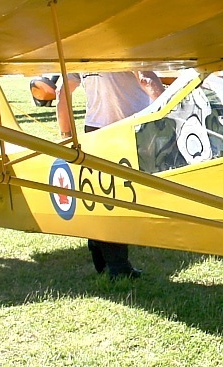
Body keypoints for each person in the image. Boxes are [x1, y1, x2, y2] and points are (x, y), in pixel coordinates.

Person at [57, 70, 165, 278]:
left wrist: (66, 135)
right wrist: (170, 115)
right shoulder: (124, 45)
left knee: (104, 196)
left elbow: (63, 89)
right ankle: (117, 265)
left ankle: (103, 253)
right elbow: (147, 80)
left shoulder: (77, 49)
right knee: (117, 198)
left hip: (98, 130)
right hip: (130, 128)